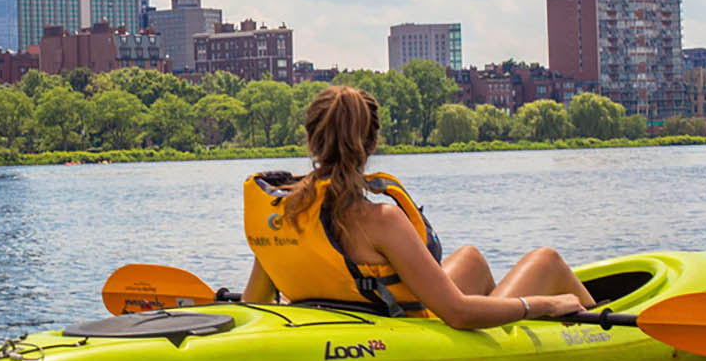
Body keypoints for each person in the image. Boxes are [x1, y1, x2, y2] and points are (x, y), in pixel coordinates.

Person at [242, 85, 594, 328]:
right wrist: (544, 304)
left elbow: (253, 304)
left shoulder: (284, 212)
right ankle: (603, 333)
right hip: (398, 335)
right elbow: (457, 314)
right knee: (546, 260)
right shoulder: (382, 220)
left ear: (310, 139)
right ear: (373, 142)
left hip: (347, 326)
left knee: (470, 257)